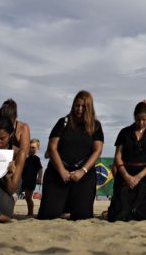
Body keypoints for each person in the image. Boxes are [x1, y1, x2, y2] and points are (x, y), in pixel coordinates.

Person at [38, 90, 104, 220]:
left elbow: (97, 150)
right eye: (77, 105)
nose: (79, 109)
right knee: (48, 215)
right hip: (58, 172)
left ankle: (69, 211)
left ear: (89, 108)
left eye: (83, 106)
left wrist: (82, 170)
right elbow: (52, 147)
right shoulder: (63, 122)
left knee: (83, 216)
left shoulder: (95, 126)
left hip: (83, 174)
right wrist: (61, 170)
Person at [108, 101, 146, 221]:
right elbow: (118, 156)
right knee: (117, 214)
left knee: (145, 213)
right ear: (134, 117)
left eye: (144, 120)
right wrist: (127, 176)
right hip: (124, 174)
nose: (141, 123)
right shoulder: (124, 132)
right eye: (138, 119)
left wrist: (138, 177)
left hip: (142, 176)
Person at [20, 138, 43, 218]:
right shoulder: (24, 158)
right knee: (15, 196)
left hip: (31, 181)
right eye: (29, 147)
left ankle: (30, 213)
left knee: (28, 198)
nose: (31, 149)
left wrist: (40, 178)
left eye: (33, 147)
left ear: (37, 149)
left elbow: (40, 169)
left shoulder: (36, 159)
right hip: (22, 180)